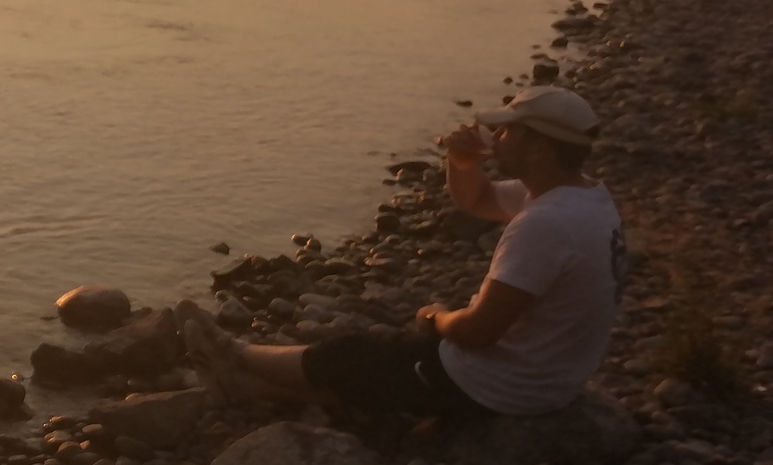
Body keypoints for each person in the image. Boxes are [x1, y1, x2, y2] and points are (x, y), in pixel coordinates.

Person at [182, 84, 625, 421]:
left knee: (355, 355)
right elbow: (478, 200)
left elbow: (478, 333)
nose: (497, 135)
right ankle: (243, 387)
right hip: (548, 380)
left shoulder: (545, 223)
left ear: (540, 148)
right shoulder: (583, 199)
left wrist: (436, 319)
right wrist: (462, 160)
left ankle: (232, 353)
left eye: (508, 131)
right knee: (379, 380)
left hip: (501, 385)